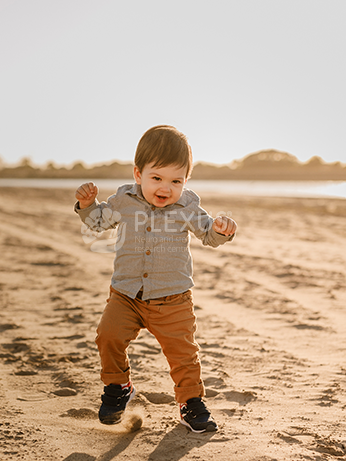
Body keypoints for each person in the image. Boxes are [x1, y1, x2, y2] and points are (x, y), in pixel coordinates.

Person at [74, 125, 237, 433]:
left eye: (176, 180)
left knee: (183, 354)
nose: (166, 188)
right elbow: (97, 222)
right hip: (126, 294)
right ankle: (118, 386)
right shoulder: (124, 201)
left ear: (186, 180)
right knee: (107, 336)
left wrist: (221, 229)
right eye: (157, 178)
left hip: (173, 298)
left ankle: (191, 403)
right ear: (139, 174)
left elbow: (207, 234)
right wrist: (87, 205)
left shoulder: (187, 206)